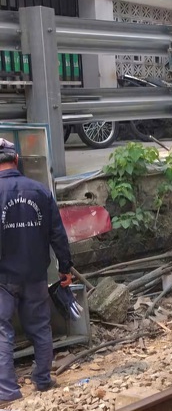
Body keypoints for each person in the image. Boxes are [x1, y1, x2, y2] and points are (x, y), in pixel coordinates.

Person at [0, 138, 72, 405]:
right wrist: (65, 268)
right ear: (16, 160)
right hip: (35, 275)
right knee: (41, 328)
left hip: (3, 277)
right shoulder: (40, 191)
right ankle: (43, 380)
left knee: (2, 331)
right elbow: (58, 235)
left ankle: (7, 392)